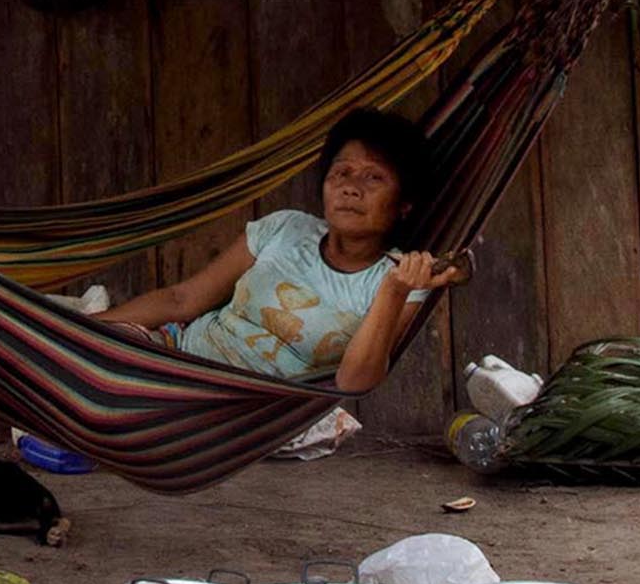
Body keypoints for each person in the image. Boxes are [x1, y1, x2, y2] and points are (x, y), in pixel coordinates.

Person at [97, 109, 465, 392]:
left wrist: (394, 291)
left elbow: (354, 382)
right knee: (95, 360)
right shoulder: (285, 227)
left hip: (247, 408)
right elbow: (182, 300)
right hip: (175, 353)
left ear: (404, 203)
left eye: (374, 177)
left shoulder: (399, 278)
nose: (351, 188)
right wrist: (82, 333)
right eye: (341, 172)